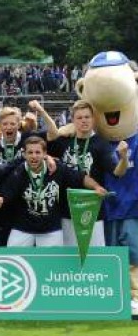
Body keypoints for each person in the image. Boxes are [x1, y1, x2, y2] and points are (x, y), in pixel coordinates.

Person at [0, 136, 107, 247]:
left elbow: (81, 178)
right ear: (24, 154)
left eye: (38, 152)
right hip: (23, 227)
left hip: (51, 228)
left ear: (45, 154)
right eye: (30, 152)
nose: (34, 156)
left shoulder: (57, 168)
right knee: (13, 257)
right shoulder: (18, 173)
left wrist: (96, 187)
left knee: (53, 263)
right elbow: (4, 193)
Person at [49, 100, 128, 246]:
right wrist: (49, 156)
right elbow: (39, 149)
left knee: (94, 255)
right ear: (72, 120)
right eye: (79, 118)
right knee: (68, 256)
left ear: (93, 119)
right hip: (66, 209)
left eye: (87, 117)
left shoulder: (101, 143)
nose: (83, 121)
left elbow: (118, 172)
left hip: (92, 209)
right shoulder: (64, 141)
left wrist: (124, 158)